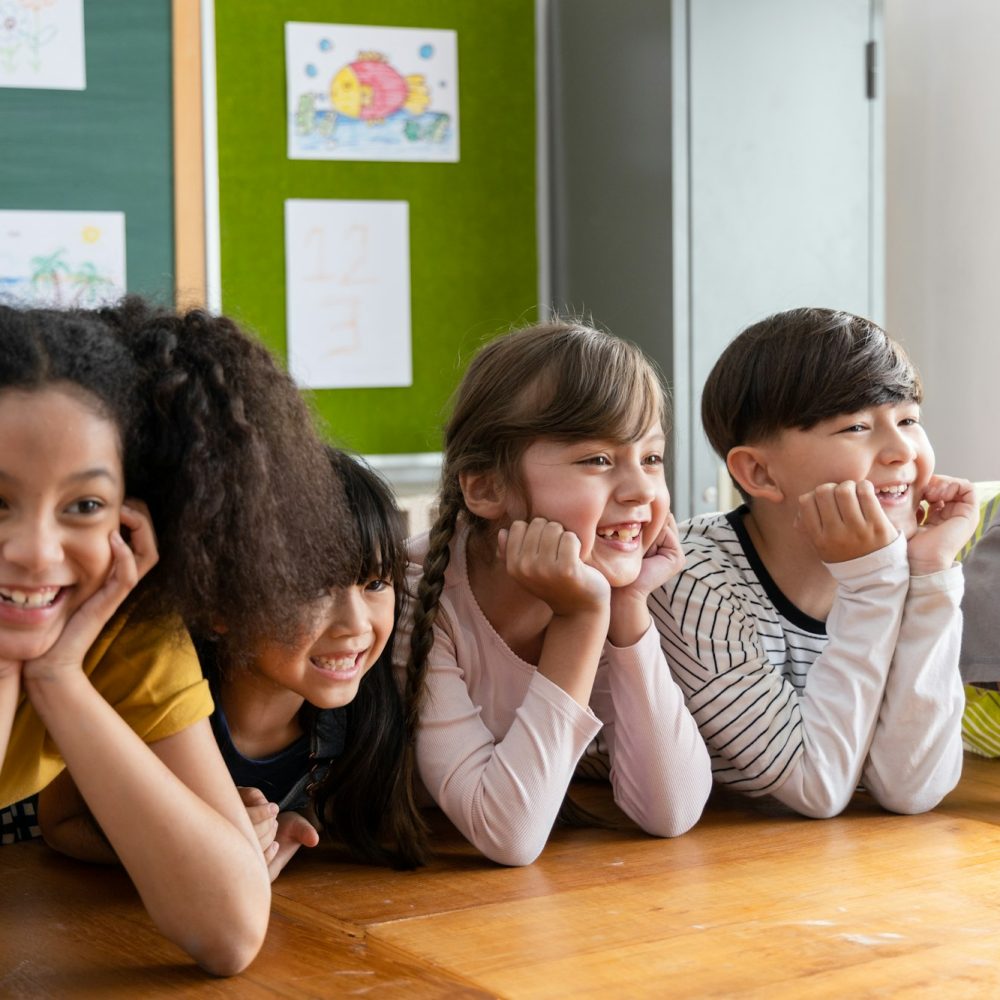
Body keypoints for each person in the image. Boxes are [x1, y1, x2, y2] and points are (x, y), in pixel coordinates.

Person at [0, 299, 350, 974]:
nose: (39, 552)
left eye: (84, 505)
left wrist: (59, 677)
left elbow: (230, 931)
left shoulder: (125, 631)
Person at [399, 320, 712, 867]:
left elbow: (671, 810)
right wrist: (582, 618)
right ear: (486, 487)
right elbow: (508, 835)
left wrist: (627, 607)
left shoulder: (614, 584)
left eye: (652, 457)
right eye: (597, 459)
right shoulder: (413, 595)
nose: (641, 489)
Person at [650, 307, 977, 818]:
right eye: (856, 427)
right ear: (758, 471)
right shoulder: (693, 581)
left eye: (909, 419)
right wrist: (871, 586)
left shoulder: (897, 564)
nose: (900, 451)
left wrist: (933, 571)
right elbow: (815, 787)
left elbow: (911, 787)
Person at [205, 448, 427, 878]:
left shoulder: (362, 724)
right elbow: (64, 823)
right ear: (222, 604)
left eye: (375, 583)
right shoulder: (163, 692)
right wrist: (186, 838)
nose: (355, 624)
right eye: (313, 590)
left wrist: (288, 828)